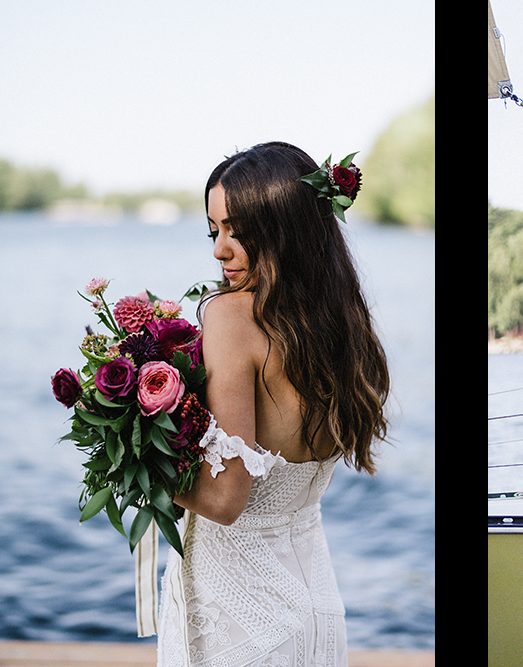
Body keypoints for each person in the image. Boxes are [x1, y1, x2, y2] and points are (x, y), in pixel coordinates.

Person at [160, 141, 390, 667]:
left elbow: (224, 500)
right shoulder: (342, 325)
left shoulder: (230, 318)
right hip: (316, 611)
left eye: (238, 230)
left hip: (237, 620)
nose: (220, 249)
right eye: (214, 230)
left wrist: (136, 460)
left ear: (285, 227)